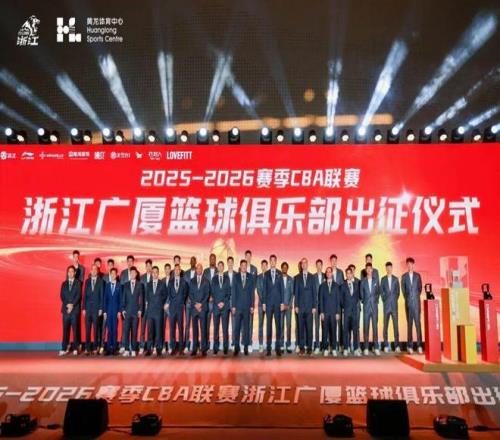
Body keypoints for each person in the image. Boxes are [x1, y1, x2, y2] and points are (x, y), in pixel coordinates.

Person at [232, 259, 255, 356]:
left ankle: (245, 347)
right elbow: (233, 292)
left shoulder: (250, 277)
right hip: (237, 307)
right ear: (240, 266)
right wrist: (233, 306)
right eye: (243, 266)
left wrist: (252, 305)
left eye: (245, 266)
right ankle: (236, 347)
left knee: (246, 328)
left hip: (247, 307)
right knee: (237, 328)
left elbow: (252, 292)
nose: (244, 267)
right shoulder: (236, 277)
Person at [263, 254, 284, 356]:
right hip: (268, 304)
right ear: (269, 262)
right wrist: (263, 303)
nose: (272, 262)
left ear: (276, 262)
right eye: (271, 260)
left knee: (278, 326)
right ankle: (268, 348)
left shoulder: (280, 273)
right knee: (269, 326)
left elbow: (282, 289)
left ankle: (278, 348)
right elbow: (264, 289)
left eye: (274, 260)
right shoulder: (266, 274)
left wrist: (282, 302)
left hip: (277, 304)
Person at [294, 258, 316, 355]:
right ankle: (302, 348)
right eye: (302, 263)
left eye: (305, 262)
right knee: (300, 328)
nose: (304, 264)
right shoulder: (297, 277)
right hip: (300, 307)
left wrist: (314, 306)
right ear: (301, 265)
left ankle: (310, 348)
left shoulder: (312, 277)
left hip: (310, 307)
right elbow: (296, 293)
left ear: (307, 264)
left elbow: (314, 292)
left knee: (309, 328)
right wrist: (296, 305)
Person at [401, 257, 423, 354]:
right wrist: (409, 298)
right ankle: (409, 346)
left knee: (418, 324)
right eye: (408, 264)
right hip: (408, 303)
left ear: (413, 264)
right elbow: (403, 290)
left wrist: (415, 297)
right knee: (409, 325)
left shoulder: (418, 276)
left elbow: (420, 288)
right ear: (407, 265)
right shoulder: (404, 277)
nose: (409, 266)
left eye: (411, 264)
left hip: (417, 304)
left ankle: (419, 346)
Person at [121, 266, 144, 357]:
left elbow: (141, 298)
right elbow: (123, 298)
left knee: (134, 331)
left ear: (136, 274)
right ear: (129, 274)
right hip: (127, 311)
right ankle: (127, 349)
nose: (132, 274)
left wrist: (140, 309)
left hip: (135, 312)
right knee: (126, 331)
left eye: (134, 273)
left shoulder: (140, 285)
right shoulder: (126, 284)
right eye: (131, 273)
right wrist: (123, 309)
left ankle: (134, 349)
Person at [59, 266, 82, 356]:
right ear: (67, 273)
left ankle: (75, 348)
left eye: (72, 271)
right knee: (65, 330)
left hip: (74, 310)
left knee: (75, 330)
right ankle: (64, 348)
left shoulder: (78, 283)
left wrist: (72, 305)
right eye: (69, 272)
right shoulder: (64, 283)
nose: (70, 273)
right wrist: (67, 305)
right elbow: (62, 296)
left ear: (75, 273)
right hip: (65, 310)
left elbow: (78, 295)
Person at [166, 264, 189, 354]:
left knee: (180, 328)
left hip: (180, 307)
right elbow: (169, 294)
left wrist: (182, 301)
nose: (177, 271)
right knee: (172, 328)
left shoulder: (184, 282)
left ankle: (180, 349)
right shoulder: (170, 282)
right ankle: (173, 348)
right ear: (174, 271)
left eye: (178, 270)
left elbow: (185, 293)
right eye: (175, 270)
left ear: (180, 271)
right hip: (172, 308)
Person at [145, 266, 167, 356]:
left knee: (158, 331)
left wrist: (161, 304)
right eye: (153, 272)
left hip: (158, 311)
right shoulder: (148, 284)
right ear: (151, 274)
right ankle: (149, 349)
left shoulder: (162, 284)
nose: (154, 274)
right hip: (150, 311)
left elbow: (165, 295)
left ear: (158, 273)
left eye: (156, 272)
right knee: (150, 331)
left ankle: (158, 349)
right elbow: (147, 297)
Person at [189, 263, 210, 356]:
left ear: (202, 270)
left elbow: (207, 294)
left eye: (200, 268)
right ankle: (194, 348)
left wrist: (201, 304)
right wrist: (195, 304)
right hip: (194, 308)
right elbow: (190, 294)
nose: (198, 270)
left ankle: (203, 349)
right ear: (196, 270)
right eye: (197, 268)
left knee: (203, 329)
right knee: (195, 329)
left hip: (203, 308)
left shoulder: (206, 281)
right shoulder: (192, 281)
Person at [83, 264, 104, 355]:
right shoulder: (87, 281)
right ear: (90, 271)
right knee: (87, 329)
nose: (94, 271)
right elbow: (84, 295)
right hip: (88, 309)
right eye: (92, 269)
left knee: (96, 329)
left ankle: (95, 347)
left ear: (97, 271)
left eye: (95, 269)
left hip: (96, 309)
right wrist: (83, 308)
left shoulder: (101, 281)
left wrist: (101, 308)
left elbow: (102, 296)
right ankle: (87, 348)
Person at [210, 261, 231, 355]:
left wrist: (223, 302)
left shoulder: (227, 278)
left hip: (225, 307)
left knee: (225, 328)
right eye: (219, 266)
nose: (220, 268)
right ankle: (216, 347)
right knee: (216, 328)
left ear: (223, 267)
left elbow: (229, 292)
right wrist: (217, 302)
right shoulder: (214, 279)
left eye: (222, 266)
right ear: (217, 268)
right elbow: (212, 292)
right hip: (216, 307)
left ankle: (225, 347)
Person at [319, 267, 341, 357]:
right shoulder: (322, 286)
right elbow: (320, 300)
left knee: (333, 331)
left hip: (333, 312)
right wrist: (321, 312)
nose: (328, 273)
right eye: (327, 272)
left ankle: (334, 348)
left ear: (332, 273)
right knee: (325, 331)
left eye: (330, 272)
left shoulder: (336, 286)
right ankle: (325, 349)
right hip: (325, 312)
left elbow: (338, 300)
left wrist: (338, 312)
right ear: (326, 274)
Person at [341, 267, 362, 356]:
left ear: (352, 274)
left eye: (350, 273)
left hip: (355, 311)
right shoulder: (342, 286)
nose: (349, 275)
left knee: (355, 330)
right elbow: (341, 299)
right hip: (346, 311)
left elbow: (358, 297)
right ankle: (346, 348)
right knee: (346, 330)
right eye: (347, 273)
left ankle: (356, 348)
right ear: (346, 275)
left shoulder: (356, 285)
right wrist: (345, 307)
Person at [380, 262, 401, 353]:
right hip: (386, 306)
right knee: (385, 326)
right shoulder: (383, 279)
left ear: (392, 268)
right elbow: (381, 291)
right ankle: (385, 345)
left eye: (390, 267)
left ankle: (397, 346)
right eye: (387, 268)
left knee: (396, 326)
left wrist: (394, 299)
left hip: (394, 306)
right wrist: (385, 300)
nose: (388, 269)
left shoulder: (396, 279)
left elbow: (398, 292)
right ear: (386, 268)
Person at [361, 263, 381, 356]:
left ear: (372, 270)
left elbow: (378, 292)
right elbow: (361, 294)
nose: (369, 270)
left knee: (375, 327)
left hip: (374, 307)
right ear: (366, 270)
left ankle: (376, 347)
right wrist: (365, 301)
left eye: (370, 268)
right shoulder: (363, 281)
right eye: (367, 269)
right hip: (366, 307)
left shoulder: (376, 280)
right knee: (366, 327)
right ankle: (365, 347)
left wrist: (375, 301)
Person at [103, 268, 122, 355]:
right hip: (108, 311)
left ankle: (114, 348)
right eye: (112, 274)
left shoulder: (119, 285)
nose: (113, 275)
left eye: (114, 273)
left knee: (114, 330)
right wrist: (104, 312)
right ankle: (108, 348)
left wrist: (119, 311)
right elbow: (105, 299)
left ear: (116, 275)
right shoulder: (107, 285)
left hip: (115, 311)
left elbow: (120, 299)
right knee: (109, 330)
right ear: (110, 275)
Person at [244, 250, 258, 352]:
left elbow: (255, 285)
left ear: (251, 257)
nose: (248, 258)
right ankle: (243, 343)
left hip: (250, 298)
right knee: (242, 323)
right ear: (245, 257)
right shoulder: (240, 268)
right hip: (241, 299)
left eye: (250, 256)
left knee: (250, 322)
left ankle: (249, 343)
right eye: (247, 256)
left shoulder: (254, 269)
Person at [330, 254, 345, 350]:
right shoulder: (328, 272)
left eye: (335, 261)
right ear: (330, 262)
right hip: (330, 303)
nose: (334, 262)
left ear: (337, 261)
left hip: (338, 303)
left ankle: (340, 344)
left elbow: (343, 287)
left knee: (340, 325)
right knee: (331, 325)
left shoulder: (340, 272)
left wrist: (342, 302)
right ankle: (332, 345)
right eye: (332, 261)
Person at [183, 257, 197, 353]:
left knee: (196, 325)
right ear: (189, 262)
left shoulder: (199, 272)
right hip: (188, 303)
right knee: (187, 324)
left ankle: (197, 345)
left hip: (196, 304)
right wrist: (186, 298)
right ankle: (186, 345)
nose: (192, 262)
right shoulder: (186, 273)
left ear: (195, 262)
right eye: (191, 261)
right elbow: (184, 288)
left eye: (194, 261)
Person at [203, 253, 217, 350]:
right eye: (211, 258)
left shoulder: (219, 271)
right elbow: (204, 286)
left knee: (216, 325)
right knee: (206, 325)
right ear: (209, 260)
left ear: (215, 260)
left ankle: (216, 345)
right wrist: (208, 296)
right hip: (207, 302)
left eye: (213, 259)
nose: (212, 260)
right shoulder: (205, 271)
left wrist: (214, 296)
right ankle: (206, 344)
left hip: (216, 302)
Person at [280, 262, 294, 353]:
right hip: (280, 307)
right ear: (281, 268)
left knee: (288, 326)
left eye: (286, 267)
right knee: (281, 326)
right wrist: (281, 304)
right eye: (283, 267)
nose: (284, 269)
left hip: (288, 307)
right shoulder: (278, 279)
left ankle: (288, 345)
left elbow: (292, 293)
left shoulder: (291, 279)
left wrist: (289, 304)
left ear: (287, 269)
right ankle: (281, 345)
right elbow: (277, 292)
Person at [140, 259, 153, 354]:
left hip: (152, 306)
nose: (148, 268)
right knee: (143, 327)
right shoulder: (142, 278)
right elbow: (140, 293)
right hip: (143, 306)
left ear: (151, 267)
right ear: (145, 267)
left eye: (150, 266)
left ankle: (150, 345)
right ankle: (141, 346)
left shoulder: (154, 277)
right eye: (147, 266)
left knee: (151, 328)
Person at [255, 259, 268, 352]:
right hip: (261, 305)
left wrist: (267, 302)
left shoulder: (270, 276)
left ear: (267, 266)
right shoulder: (258, 277)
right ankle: (260, 344)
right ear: (261, 266)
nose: (263, 267)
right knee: (260, 325)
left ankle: (268, 343)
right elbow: (259, 290)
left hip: (269, 304)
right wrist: (263, 302)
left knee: (269, 325)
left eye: (265, 265)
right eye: (262, 265)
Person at [312, 259, 325, 354]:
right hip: (316, 305)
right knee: (317, 326)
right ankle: (317, 346)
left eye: (320, 265)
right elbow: (312, 292)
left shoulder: (326, 275)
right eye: (318, 265)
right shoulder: (313, 277)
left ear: (322, 266)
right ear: (316, 266)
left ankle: (324, 346)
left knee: (325, 326)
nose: (319, 267)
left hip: (325, 305)